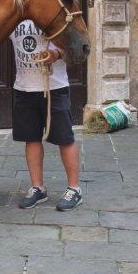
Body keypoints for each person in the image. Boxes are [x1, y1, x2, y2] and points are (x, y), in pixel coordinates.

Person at [11, 19, 83, 211]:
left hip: (55, 87)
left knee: (65, 138)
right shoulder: (15, 15)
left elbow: (75, 45)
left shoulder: (53, 14)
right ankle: (38, 188)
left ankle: (74, 188)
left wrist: (56, 53)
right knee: (31, 138)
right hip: (25, 87)